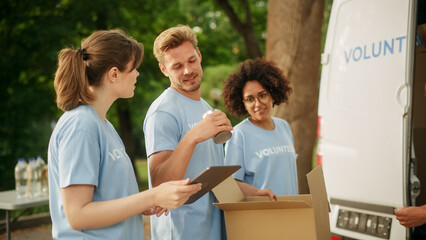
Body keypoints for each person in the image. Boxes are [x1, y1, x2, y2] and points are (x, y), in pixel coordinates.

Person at [48, 29, 201, 240]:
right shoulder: (80, 125)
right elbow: (77, 215)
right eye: (133, 68)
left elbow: (106, 199)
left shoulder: (105, 126)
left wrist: (143, 205)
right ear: (114, 74)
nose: (137, 74)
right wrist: (152, 195)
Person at [143, 25, 235, 240]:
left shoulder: (205, 108)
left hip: (212, 228)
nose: (187, 70)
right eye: (177, 66)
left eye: (191, 61)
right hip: (182, 232)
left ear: (199, 55)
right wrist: (193, 136)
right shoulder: (162, 112)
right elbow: (159, 184)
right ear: (164, 70)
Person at [222, 58, 298, 197]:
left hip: (291, 210)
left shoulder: (284, 127)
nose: (258, 104)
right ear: (242, 103)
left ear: (272, 95)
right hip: (261, 213)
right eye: (250, 99)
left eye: (262, 95)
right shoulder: (239, 134)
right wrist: (257, 193)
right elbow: (230, 184)